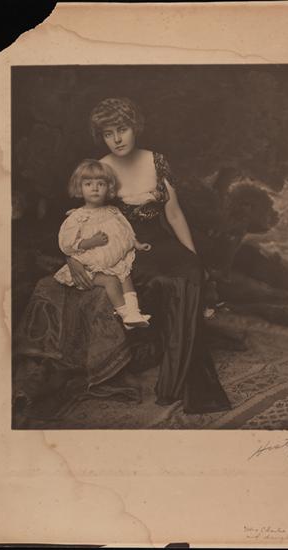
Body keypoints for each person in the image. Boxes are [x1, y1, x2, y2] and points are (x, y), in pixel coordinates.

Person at [66, 97, 231, 413]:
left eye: (122, 129)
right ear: (101, 136)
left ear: (135, 128)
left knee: (190, 273)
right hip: (128, 251)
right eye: (108, 133)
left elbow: (175, 214)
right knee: (168, 282)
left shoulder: (157, 161)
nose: (117, 139)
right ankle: (181, 381)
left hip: (163, 244)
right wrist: (74, 256)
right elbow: (84, 220)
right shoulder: (101, 168)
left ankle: (177, 376)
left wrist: (193, 256)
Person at [54, 159, 151, 329]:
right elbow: (67, 245)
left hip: (112, 262)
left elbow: (125, 231)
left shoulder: (113, 211)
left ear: (109, 188)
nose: (95, 188)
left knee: (125, 276)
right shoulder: (77, 217)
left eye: (101, 184)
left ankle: (134, 312)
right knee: (111, 281)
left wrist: (137, 244)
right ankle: (125, 316)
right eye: (88, 184)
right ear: (80, 188)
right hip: (90, 267)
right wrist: (91, 242)